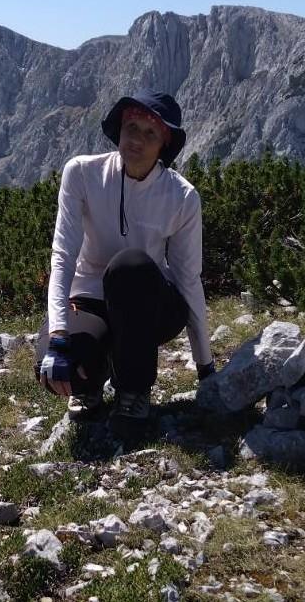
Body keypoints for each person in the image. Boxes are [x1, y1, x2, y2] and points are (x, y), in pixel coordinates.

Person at [35, 88, 216, 439]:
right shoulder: (82, 173)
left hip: (149, 305)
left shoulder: (182, 197)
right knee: (56, 367)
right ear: (119, 129)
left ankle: (133, 389)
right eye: (132, 127)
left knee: (130, 266)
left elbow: (187, 277)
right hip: (89, 296)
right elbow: (63, 256)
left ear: (164, 145)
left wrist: (204, 363)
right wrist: (58, 335)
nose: (137, 139)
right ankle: (90, 380)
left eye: (151, 134)